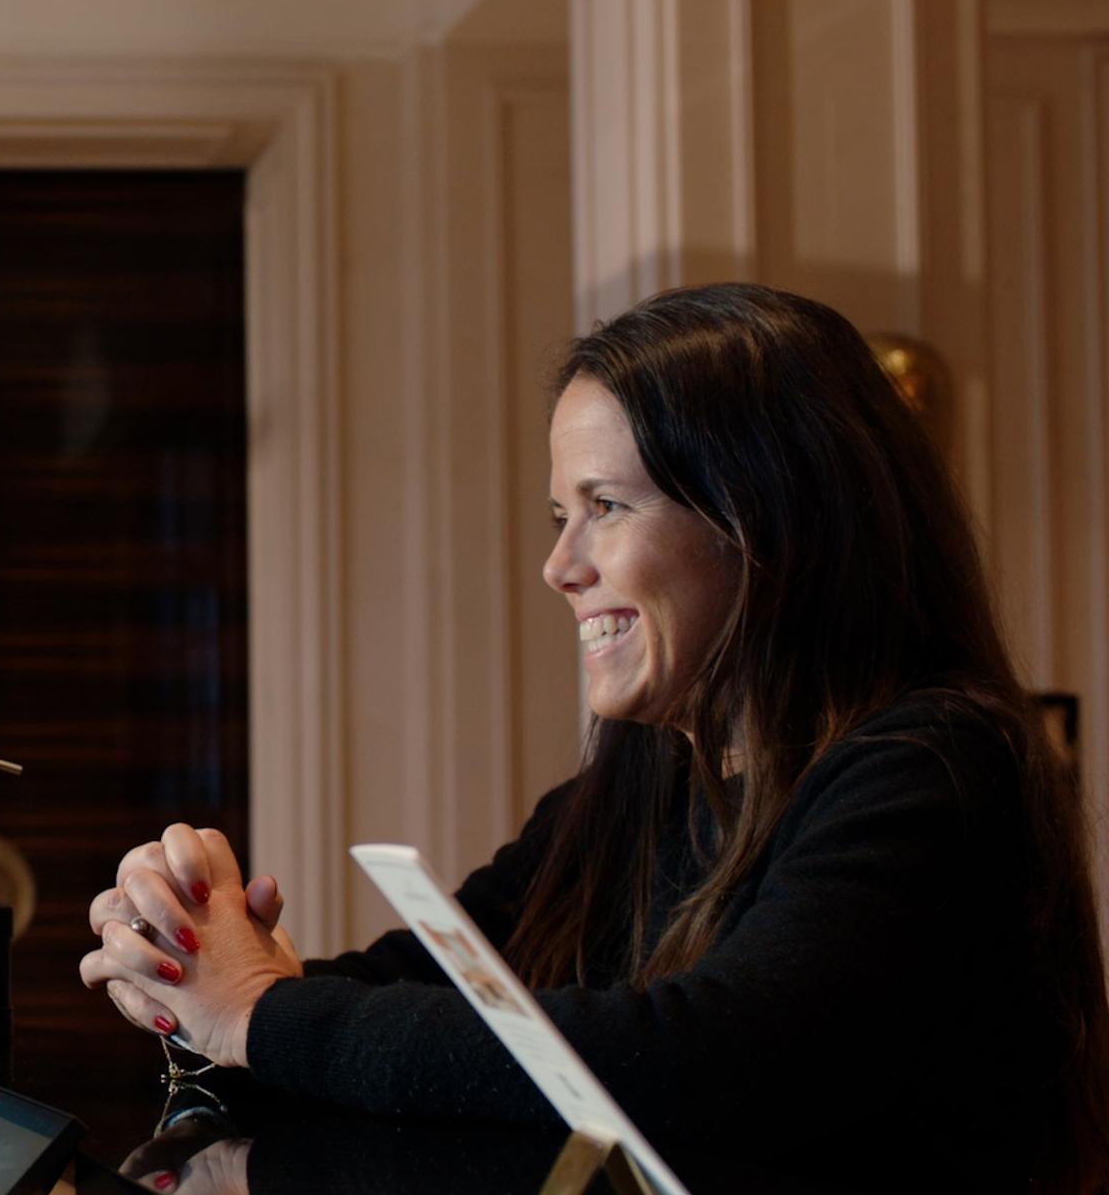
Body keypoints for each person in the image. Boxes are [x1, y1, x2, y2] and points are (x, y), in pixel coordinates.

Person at [81, 282, 1109, 1189]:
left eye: (604, 506)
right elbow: (443, 986)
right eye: (556, 516)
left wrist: (264, 1013)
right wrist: (191, 968)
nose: (559, 567)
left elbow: (703, 1065)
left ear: (767, 524)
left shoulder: (933, 770)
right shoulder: (646, 786)